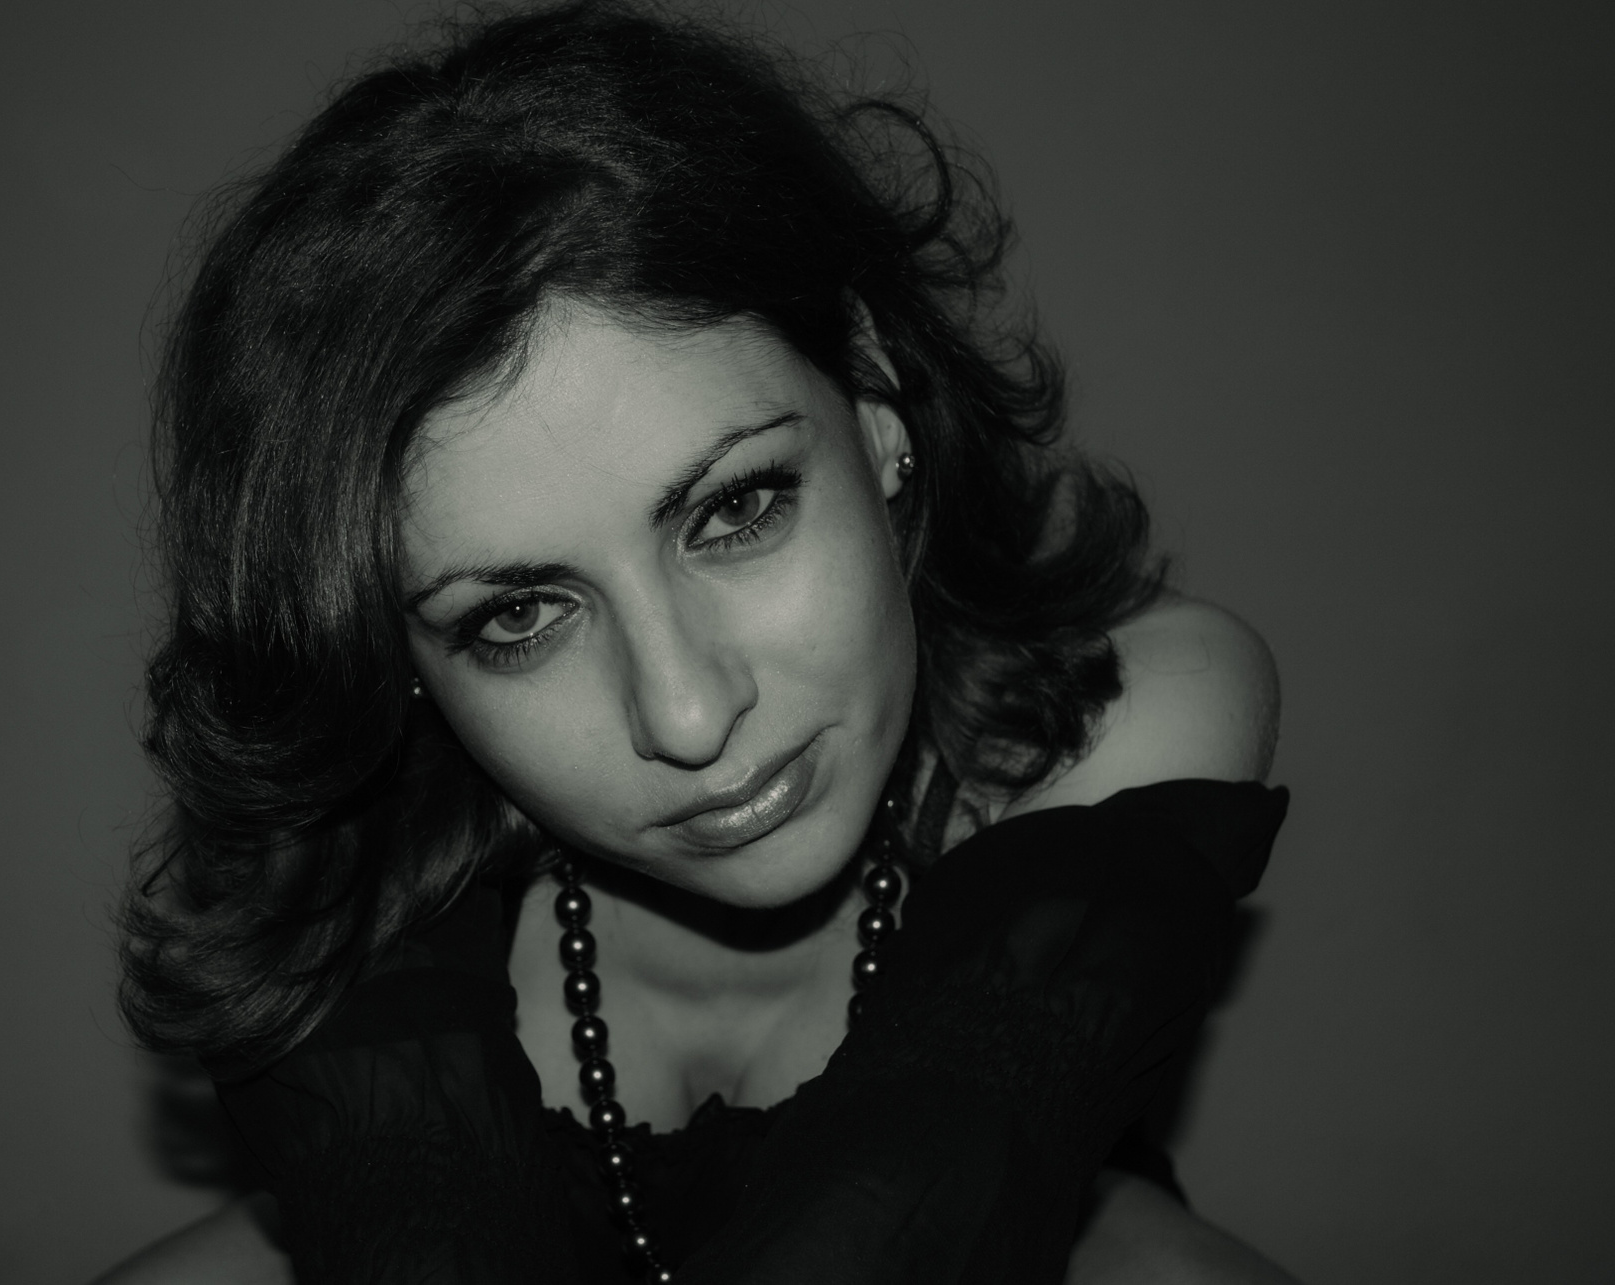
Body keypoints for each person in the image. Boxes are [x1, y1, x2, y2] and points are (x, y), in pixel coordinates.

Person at [102, 3, 1298, 1281]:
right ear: (388, 653)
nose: (686, 713)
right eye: (519, 615)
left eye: (735, 511)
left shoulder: (1120, 711)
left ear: (873, 393)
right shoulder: (346, 878)